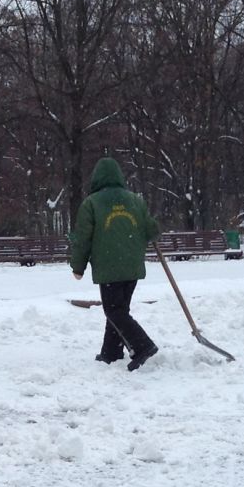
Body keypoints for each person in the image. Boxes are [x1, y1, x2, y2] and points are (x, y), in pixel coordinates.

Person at [69, 157, 160, 371]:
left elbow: (83, 238)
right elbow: (152, 230)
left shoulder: (91, 203)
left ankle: (143, 345)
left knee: (114, 311)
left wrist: (78, 266)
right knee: (119, 310)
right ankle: (111, 353)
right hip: (132, 266)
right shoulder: (135, 200)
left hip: (109, 267)